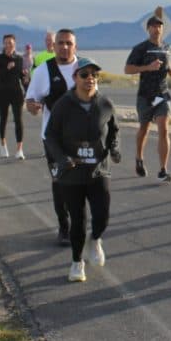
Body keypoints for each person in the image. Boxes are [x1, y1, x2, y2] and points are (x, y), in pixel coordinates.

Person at [44, 58, 121, 282]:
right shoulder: (63, 105)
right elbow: (50, 135)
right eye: (85, 75)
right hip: (72, 173)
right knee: (77, 222)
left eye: (94, 75)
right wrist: (61, 158)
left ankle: (95, 239)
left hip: (98, 171)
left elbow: (114, 131)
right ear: (75, 77)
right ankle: (77, 263)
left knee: (102, 218)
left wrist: (115, 149)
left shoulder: (105, 104)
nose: (90, 79)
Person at [25, 29, 79, 245]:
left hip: (80, 137)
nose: (64, 47)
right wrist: (33, 107)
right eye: (61, 43)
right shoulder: (43, 71)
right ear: (53, 46)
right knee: (60, 181)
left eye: (69, 43)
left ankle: (78, 221)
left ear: (75, 46)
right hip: (53, 137)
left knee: (79, 182)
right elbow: (30, 103)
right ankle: (64, 227)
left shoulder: (84, 69)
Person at [124, 13, 171, 182]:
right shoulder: (140, 48)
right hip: (145, 95)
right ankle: (139, 158)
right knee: (144, 129)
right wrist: (148, 67)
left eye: (159, 26)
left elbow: (167, 62)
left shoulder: (167, 47)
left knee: (164, 128)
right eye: (153, 26)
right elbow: (128, 69)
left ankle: (163, 170)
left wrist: (170, 70)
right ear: (148, 29)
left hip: (162, 93)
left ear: (163, 28)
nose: (157, 29)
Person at [0, 34, 29, 159]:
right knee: (3, 119)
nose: (8, 45)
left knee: (18, 120)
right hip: (2, 93)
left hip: (16, 93)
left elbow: (20, 76)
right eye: (6, 42)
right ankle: (3, 145)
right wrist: (7, 68)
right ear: (3, 44)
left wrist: (25, 79)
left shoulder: (19, 59)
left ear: (15, 43)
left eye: (11, 42)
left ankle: (19, 150)